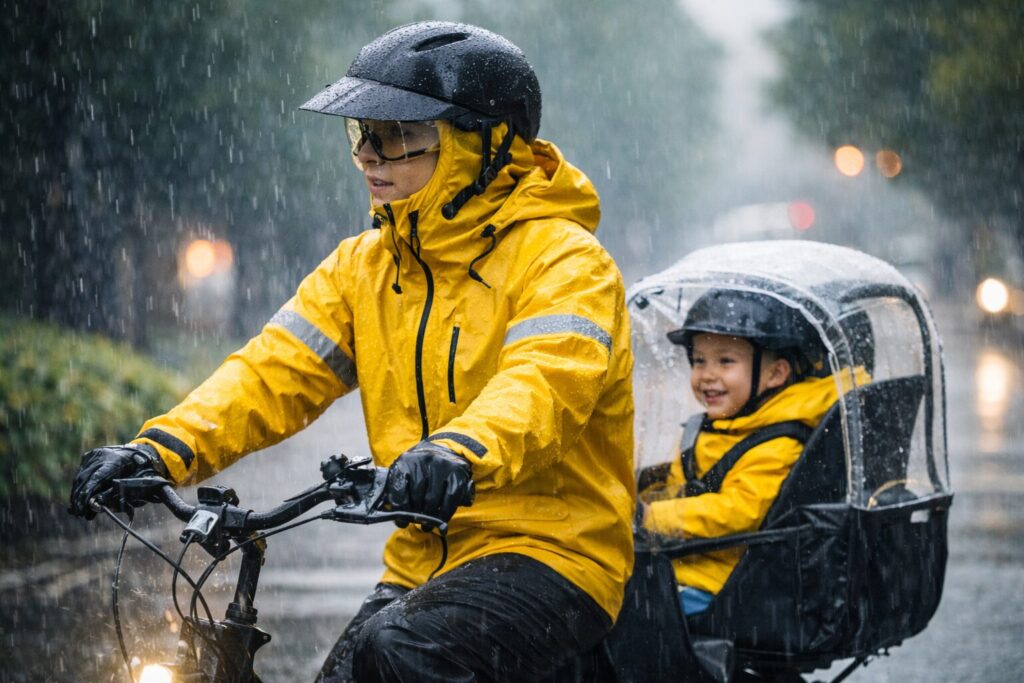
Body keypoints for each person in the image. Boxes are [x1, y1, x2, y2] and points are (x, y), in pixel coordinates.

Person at [68, 21, 635, 682]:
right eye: (362, 134)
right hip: (423, 565)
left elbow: (544, 383)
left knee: (402, 649)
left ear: (479, 144)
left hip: (554, 555)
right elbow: (271, 371)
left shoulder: (566, 262)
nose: (369, 155)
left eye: (396, 136)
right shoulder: (363, 267)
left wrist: (458, 452)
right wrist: (160, 449)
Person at [638, 289, 841, 617]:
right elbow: (682, 487)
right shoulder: (717, 428)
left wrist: (650, 518)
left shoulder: (778, 443)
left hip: (724, 583)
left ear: (775, 374)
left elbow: (738, 510)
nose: (707, 374)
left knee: (616, 608)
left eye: (726, 361)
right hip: (684, 562)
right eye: (699, 360)